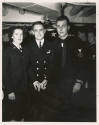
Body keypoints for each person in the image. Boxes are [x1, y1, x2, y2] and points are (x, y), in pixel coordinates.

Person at [27, 21, 54, 121]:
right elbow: (27, 66)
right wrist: (34, 81)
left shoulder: (51, 45)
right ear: (33, 32)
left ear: (45, 31)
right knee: (33, 111)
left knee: (47, 112)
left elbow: (52, 65)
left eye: (41, 30)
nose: (38, 33)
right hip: (33, 83)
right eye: (36, 30)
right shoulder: (27, 46)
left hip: (47, 83)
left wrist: (46, 79)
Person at [3, 27, 30, 121]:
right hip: (13, 90)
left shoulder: (25, 50)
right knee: (14, 116)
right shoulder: (6, 51)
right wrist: (10, 90)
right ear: (12, 36)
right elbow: (4, 72)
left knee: (22, 114)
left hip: (25, 89)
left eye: (21, 34)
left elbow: (27, 69)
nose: (19, 36)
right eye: (16, 34)